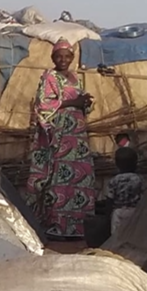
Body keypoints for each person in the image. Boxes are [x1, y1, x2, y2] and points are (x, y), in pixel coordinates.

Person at [27, 39, 95, 239]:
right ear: (53, 58)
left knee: (81, 174)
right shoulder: (50, 76)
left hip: (77, 135)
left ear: (72, 58)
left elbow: (78, 102)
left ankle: (77, 226)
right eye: (59, 56)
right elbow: (42, 104)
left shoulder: (75, 78)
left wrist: (85, 103)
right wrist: (73, 102)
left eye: (67, 56)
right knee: (59, 176)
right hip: (60, 134)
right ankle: (57, 225)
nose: (63, 60)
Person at [103, 142, 145, 237]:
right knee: (134, 235)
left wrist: (107, 215)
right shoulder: (139, 179)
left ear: (117, 164)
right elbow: (144, 197)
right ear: (136, 163)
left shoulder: (114, 180)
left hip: (118, 212)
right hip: (135, 211)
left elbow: (109, 199)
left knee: (116, 236)